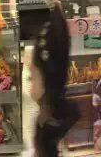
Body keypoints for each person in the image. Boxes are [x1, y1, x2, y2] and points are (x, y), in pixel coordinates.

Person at [29, 11, 79, 156]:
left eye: (31, 78)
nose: (29, 88)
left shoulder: (47, 132)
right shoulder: (51, 122)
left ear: (48, 80)